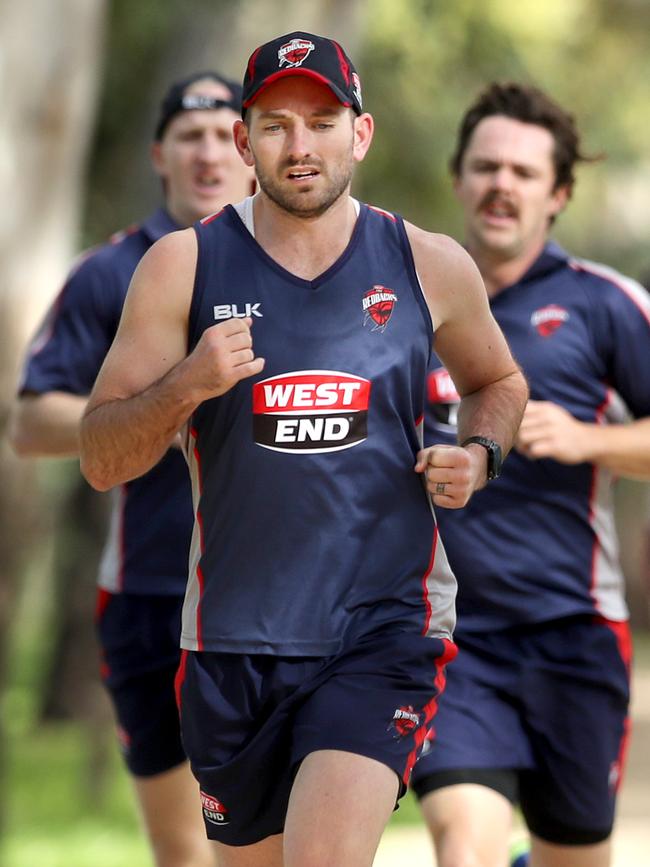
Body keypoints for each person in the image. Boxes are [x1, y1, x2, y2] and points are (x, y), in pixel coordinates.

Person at [78, 32, 528, 867]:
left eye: (322, 121)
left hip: (382, 629)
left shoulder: (428, 263)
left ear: (360, 133)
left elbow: (499, 383)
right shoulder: (183, 266)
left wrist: (480, 454)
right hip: (230, 643)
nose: (301, 145)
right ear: (244, 142)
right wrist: (188, 384)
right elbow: (102, 458)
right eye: (276, 125)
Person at [9, 70, 254, 867]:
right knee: (185, 852)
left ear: (250, 150)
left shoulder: (302, 269)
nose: (209, 153)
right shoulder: (111, 272)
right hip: (151, 590)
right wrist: (163, 401)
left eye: (225, 134)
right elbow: (31, 420)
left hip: (274, 592)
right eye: (191, 136)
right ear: (160, 154)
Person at [410, 82, 650, 867]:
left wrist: (589, 440)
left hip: (573, 632)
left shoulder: (603, 303)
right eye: (485, 166)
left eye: (522, 171)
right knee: (463, 848)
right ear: (459, 179)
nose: (500, 184)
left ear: (559, 193)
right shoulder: (404, 303)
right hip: (449, 636)